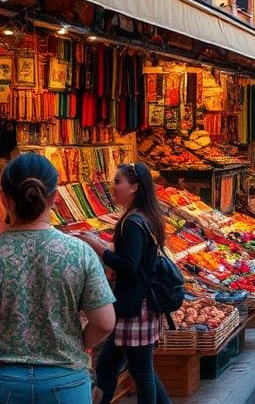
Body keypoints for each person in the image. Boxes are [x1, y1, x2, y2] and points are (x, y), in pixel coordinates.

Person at [0, 153, 116, 404]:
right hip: (66, 381)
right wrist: (77, 341)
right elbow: (105, 322)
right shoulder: (78, 252)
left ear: (4, 198)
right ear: (53, 198)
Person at [85, 163, 172, 404]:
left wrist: (99, 247)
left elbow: (129, 266)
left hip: (134, 306)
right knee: (112, 366)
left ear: (134, 187)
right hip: (134, 304)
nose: (113, 188)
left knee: (141, 371)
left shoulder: (132, 222)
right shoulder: (146, 217)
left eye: (117, 182)